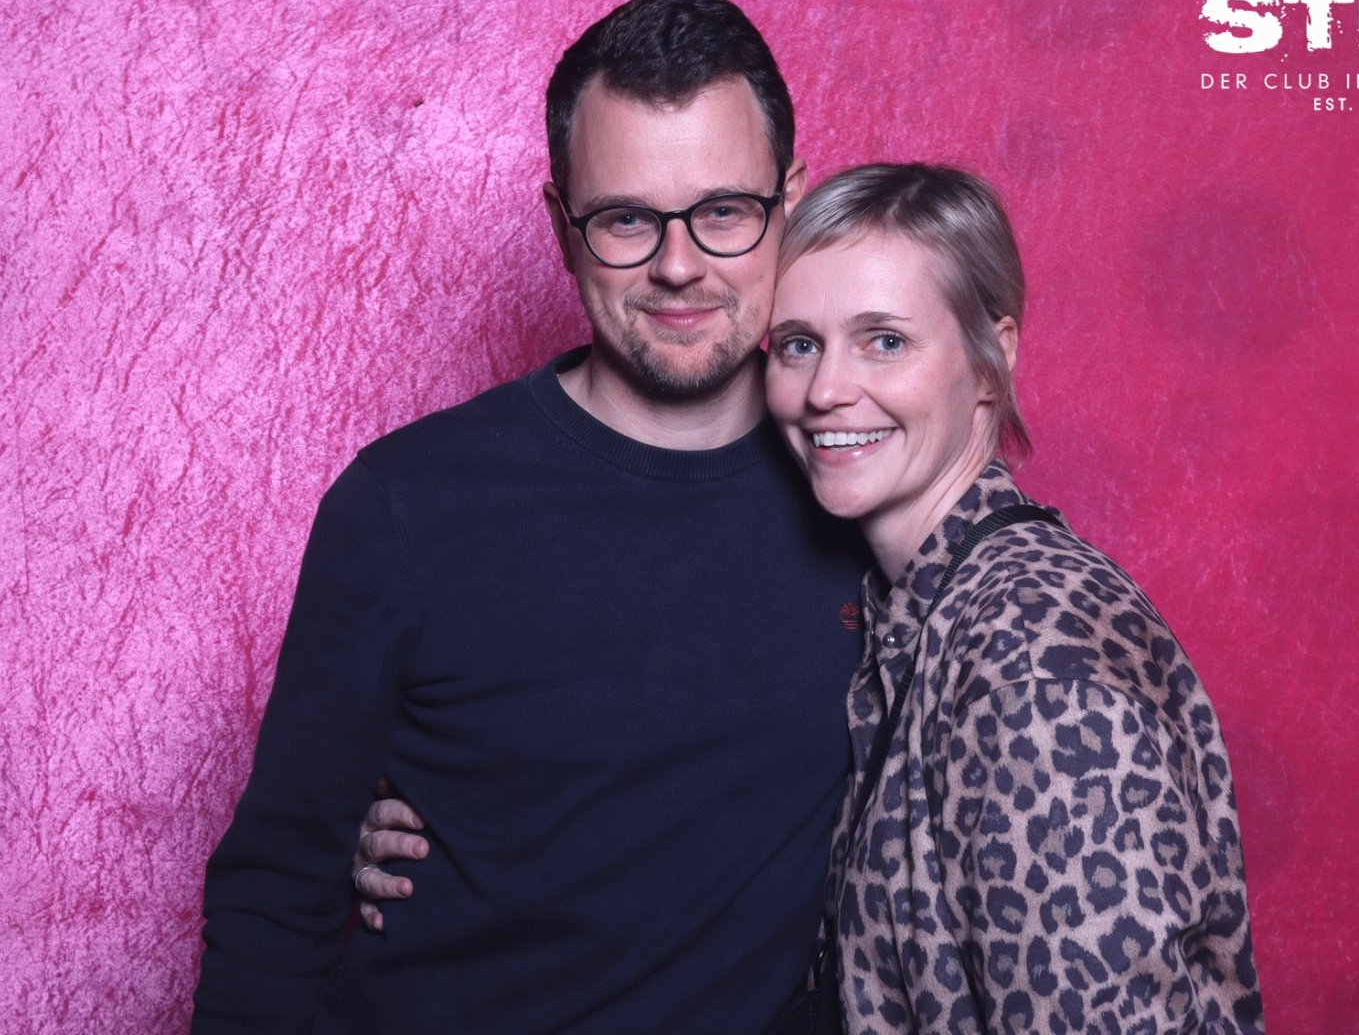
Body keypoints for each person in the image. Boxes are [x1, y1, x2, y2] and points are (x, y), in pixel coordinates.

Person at [360, 166, 1267, 1032]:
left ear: (992, 363)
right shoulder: (900, 604)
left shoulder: (1033, 663)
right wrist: (441, 814)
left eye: (885, 341)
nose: (827, 391)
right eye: (799, 345)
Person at [193, 0, 870, 1033]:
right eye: (626, 219)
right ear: (563, 228)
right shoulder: (407, 507)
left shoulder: (863, 494)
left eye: (724, 212)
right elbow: (276, 894)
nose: (678, 265)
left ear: (792, 203)